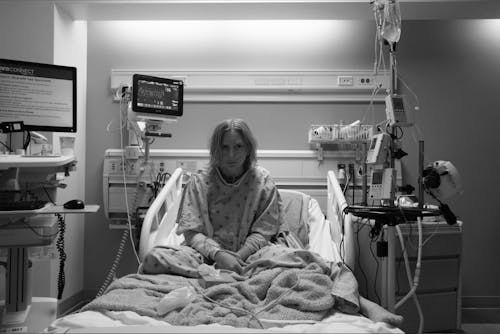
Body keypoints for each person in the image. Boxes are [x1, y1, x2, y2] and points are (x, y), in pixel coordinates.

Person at [141, 118, 403, 327]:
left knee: (314, 264)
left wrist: (239, 257)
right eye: (225, 147)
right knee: (155, 257)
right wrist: (219, 255)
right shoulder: (199, 182)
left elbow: (264, 231)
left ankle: (363, 303)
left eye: (238, 146)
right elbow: (192, 232)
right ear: (216, 149)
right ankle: (239, 280)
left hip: (256, 254)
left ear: (249, 149)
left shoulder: (261, 180)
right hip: (205, 256)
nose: (231, 154)